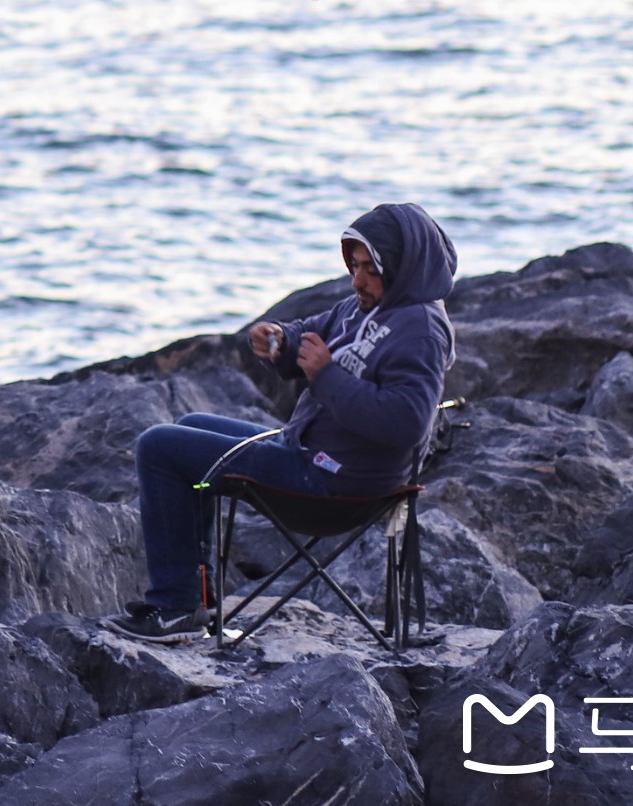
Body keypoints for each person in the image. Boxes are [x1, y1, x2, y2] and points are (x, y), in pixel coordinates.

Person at [109, 202, 457, 642]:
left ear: (403, 266)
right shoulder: (364, 307)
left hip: (336, 486)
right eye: (354, 266)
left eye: (370, 269)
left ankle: (175, 605)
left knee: (158, 448)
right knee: (191, 423)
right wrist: (280, 341)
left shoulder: (421, 330)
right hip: (309, 453)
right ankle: (196, 597)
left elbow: (407, 422)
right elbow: (312, 331)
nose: (357, 280)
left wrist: (326, 376)